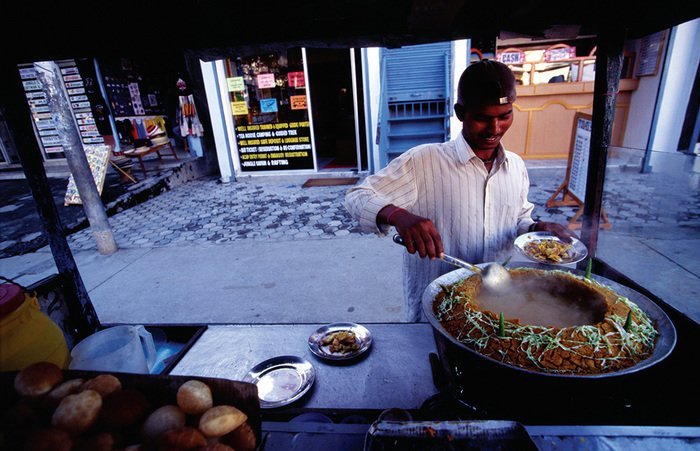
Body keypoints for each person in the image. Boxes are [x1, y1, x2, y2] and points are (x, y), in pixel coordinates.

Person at [344, 59, 575, 322]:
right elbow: (357, 196)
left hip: (500, 309)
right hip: (438, 307)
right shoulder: (423, 161)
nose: (495, 128)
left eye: (504, 116)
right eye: (482, 118)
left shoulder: (516, 166)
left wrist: (537, 229)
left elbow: (518, 219)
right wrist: (398, 215)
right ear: (460, 112)